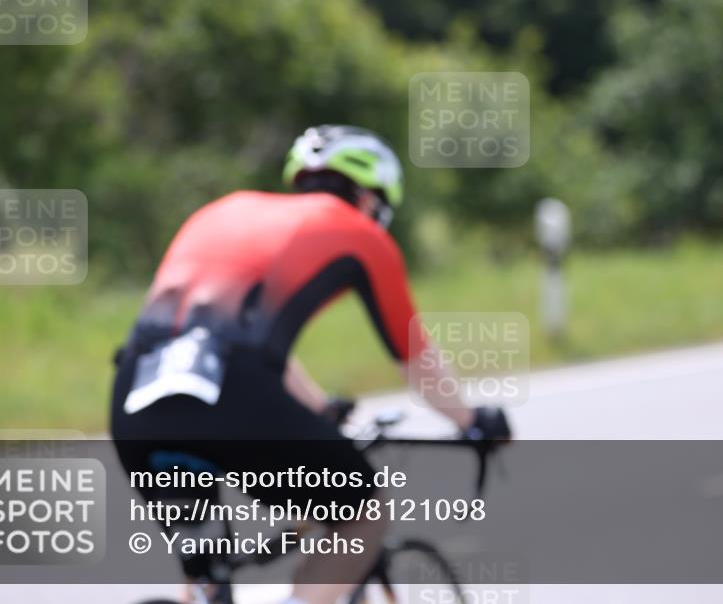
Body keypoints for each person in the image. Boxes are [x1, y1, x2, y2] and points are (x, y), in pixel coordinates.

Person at [110, 125, 512, 604]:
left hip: (136, 397)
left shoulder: (221, 210)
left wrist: (319, 408)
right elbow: (415, 358)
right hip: (234, 400)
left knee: (207, 576)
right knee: (361, 515)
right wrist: (474, 421)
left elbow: (223, 341)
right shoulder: (360, 234)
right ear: (366, 195)